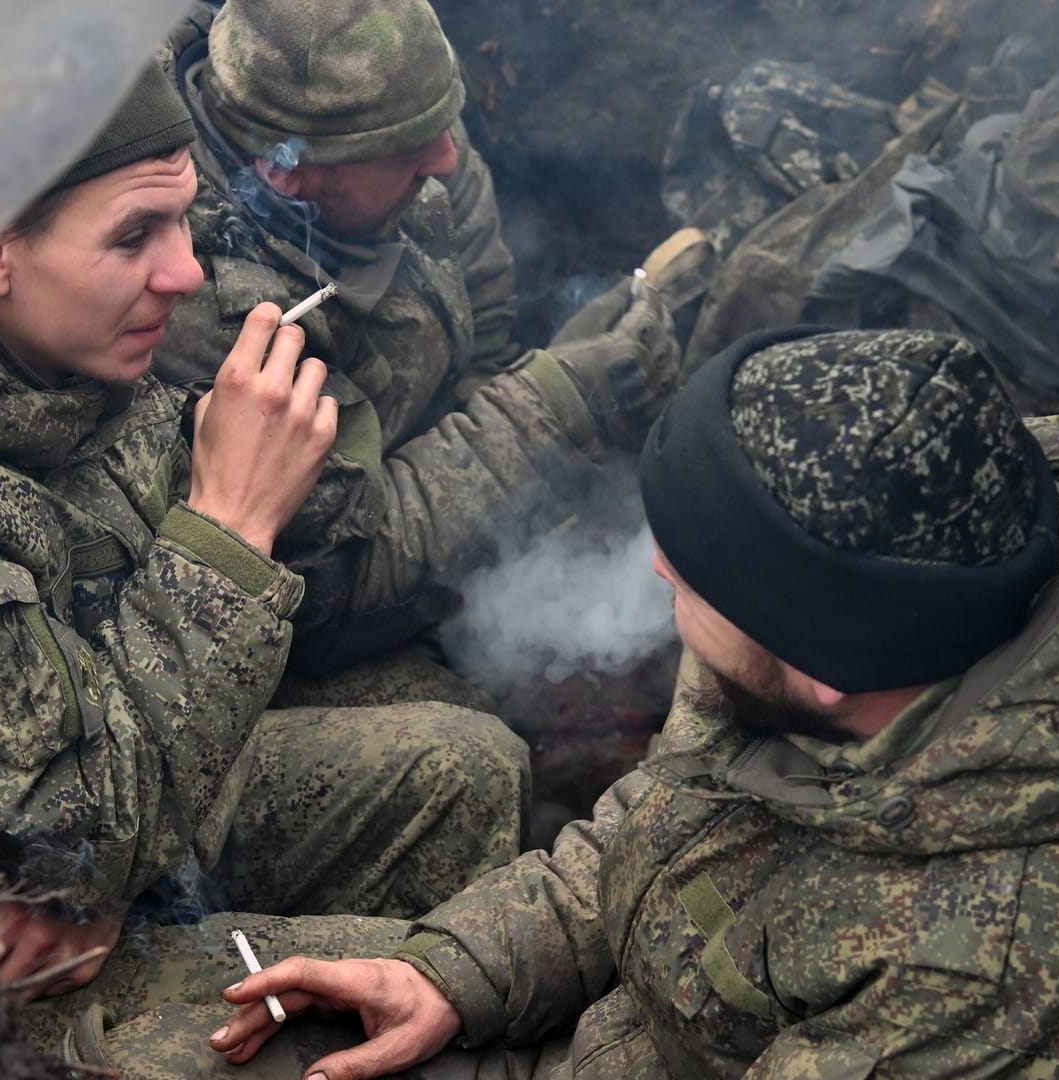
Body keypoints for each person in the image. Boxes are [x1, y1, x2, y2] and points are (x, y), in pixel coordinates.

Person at [47, 327, 1059, 1077]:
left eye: (693, 568)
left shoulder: (982, 979)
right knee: (137, 1019)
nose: (661, 574)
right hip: (612, 1018)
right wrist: (454, 973)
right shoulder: (875, 604)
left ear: (829, 663)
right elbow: (662, 827)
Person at [0, 60, 657, 1001]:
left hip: (117, 784)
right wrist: (231, 524)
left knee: (469, 764)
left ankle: (423, 997)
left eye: (183, 220)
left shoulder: (47, 344)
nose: (187, 271)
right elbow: (74, 836)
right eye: (134, 237)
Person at [157, 0, 681, 694]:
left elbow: (486, 307)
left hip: (417, 485)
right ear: (285, 171)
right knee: (458, 723)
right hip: (270, 619)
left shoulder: (399, 111)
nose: (447, 157)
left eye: (442, 120)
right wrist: (553, 404)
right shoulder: (189, 303)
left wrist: (519, 395)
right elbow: (331, 591)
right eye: (408, 152)